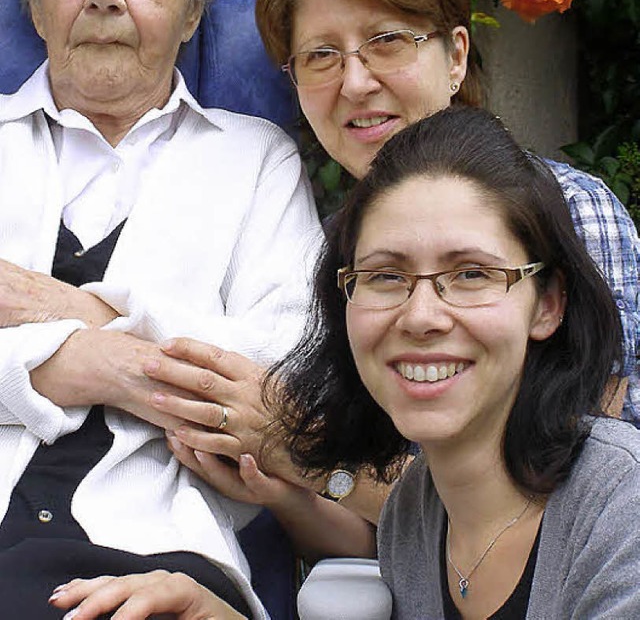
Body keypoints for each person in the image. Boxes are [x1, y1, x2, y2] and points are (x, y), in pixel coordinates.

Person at [122, 0, 638, 523]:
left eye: (387, 41)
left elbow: (573, 507)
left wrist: (297, 448)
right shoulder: (326, 249)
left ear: (455, 57)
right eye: (321, 56)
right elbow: (378, 544)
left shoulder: (570, 213)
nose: (355, 82)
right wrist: (277, 487)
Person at [50, 107, 640, 619]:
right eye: (385, 276)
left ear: (549, 304)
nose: (421, 315)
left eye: (470, 274)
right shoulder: (420, 514)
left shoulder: (620, 514)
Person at [0, 0, 368, 619]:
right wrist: (92, 366)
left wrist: (75, 313)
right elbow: (222, 363)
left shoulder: (253, 160)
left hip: (152, 562)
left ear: (194, 8)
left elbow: (288, 361)